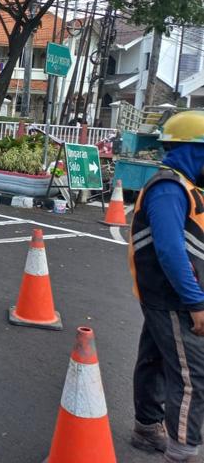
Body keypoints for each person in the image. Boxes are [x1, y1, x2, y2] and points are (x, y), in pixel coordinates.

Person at [129, 111, 204, 463]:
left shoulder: (186, 186)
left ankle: (146, 427)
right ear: (192, 151)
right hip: (172, 298)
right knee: (192, 376)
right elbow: (170, 250)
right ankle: (182, 452)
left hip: (170, 296)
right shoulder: (168, 189)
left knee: (155, 358)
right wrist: (195, 302)